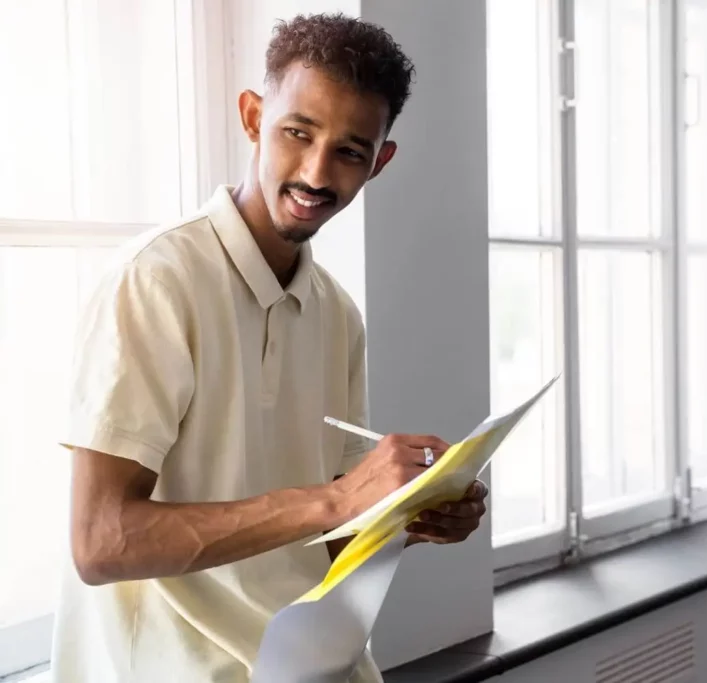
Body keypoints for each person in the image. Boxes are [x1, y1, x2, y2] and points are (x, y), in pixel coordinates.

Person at [51, 12, 487, 683]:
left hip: (318, 668)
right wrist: (336, 500)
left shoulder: (337, 313)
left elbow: (330, 543)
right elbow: (100, 542)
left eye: (349, 150)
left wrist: (409, 509)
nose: (316, 172)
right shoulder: (156, 279)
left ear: (380, 162)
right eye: (297, 132)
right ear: (253, 117)